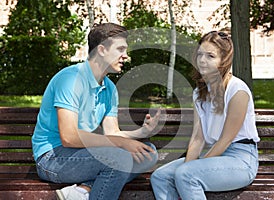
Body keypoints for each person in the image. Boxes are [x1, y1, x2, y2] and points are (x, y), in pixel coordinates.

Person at [31, 23, 160, 200]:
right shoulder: (71, 79)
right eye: (120, 49)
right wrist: (120, 144)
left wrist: (142, 132)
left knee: (149, 153)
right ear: (102, 50)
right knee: (119, 159)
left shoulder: (109, 88)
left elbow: (112, 132)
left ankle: (83, 191)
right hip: (53, 157)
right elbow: (68, 137)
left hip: (82, 154)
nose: (126, 56)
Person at [150, 31, 260, 200]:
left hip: (240, 160)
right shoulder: (199, 93)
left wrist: (191, 168)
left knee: (186, 175)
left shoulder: (237, 91)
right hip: (215, 156)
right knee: (160, 177)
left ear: (224, 60)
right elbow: (198, 138)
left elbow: (226, 140)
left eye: (210, 56)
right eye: (200, 54)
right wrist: (187, 165)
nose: (202, 60)